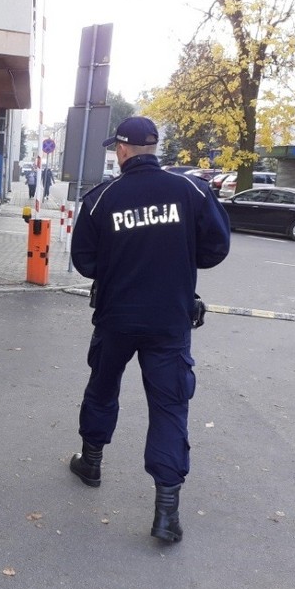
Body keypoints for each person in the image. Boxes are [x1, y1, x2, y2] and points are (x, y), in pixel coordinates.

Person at [69, 117, 230, 543]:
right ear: (154, 148)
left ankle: (91, 462)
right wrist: (172, 257)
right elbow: (216, 247)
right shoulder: (190, 190)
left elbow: (84, 261)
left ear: (122, 149)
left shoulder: (102, 198)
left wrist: (122, 262)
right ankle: (166, 512)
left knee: (103, 389)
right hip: (170, 321)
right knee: (170, 408)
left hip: (116, 317)